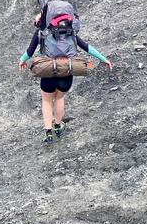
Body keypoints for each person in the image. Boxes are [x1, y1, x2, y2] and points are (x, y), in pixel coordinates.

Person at [19, 11, 112, 144]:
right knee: (59, 98)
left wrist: (22, 60)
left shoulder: (41, 33)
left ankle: (48, 132)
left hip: (49, 70)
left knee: (46, 101)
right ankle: (58, 126)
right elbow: (87, 47)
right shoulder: (70, 32)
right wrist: (104, 59)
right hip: (67, 70)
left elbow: (29, 52)